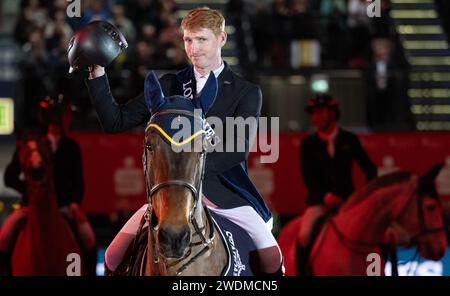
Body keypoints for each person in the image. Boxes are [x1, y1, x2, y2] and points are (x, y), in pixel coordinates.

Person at [84, 7, 283, 275]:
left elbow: (235, 151)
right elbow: (115, 121)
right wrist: (97, 74)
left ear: (222, 39)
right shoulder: (169, 85)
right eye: (188, 40)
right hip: (170, 194)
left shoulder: (245, 92)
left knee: (273, 259)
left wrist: (188, 172)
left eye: (202, 39)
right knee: (113, 256)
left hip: (226, 195)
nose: (193, 48)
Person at [2, 97, 97, 275]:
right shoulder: (33, 144)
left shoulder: (71, 147)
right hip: (31, 207)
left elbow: (78, 182)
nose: (69, 119)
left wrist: (75, 203)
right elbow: (10, 177)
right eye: (66, 115)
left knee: (89, 237)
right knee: (4, 237)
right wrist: (32, 190)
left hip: (63, 207)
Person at [298, 93, 377, 248]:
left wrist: (363, 197)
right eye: (313, 113)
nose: (316, 117)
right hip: (319, 203)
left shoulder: (350, 139)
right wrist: (326, 197)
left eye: (320, 112)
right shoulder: (308, 144)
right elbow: (308, 178)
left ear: (333, 113)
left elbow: (370, 169)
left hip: (349, 202)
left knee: (381, 234)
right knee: (304, 235)